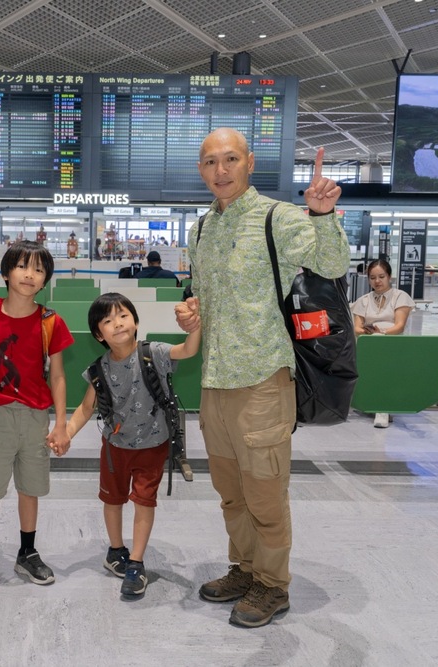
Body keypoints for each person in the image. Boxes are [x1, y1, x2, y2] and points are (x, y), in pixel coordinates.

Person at [176, 128, 348, 628]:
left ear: (249, 163)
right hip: (215, 381)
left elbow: (333, 263)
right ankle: (245, 569)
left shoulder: (279, 217)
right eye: (211, 161)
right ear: (201, 170)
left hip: (263, 379)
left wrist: (322, 215)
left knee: (265, 494)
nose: (221, 170)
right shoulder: (201, 229)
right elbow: (201, 294)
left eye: (231, 159)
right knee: (231, 493)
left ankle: (273, 585)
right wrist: (192, 313)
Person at [65, 293, 200, 597]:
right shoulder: (98, 369)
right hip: (115, 448)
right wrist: (66, 434)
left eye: (123, 315)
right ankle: (116, 551)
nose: (118, 323)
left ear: (136, 322)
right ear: (99, 335)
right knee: (112, 500)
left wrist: (194, 327)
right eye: (108, 320)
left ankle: (136, 562)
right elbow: (85, 408)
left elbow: (188, 350)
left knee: (144, 501)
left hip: (153, 446)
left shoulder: (154, 353)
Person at [0, 240, 73, 596]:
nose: (30, 275)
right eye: (23, 266)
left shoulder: (50, 322)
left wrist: (61, 423)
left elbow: (58, 376)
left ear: (45, 280)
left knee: (31, 487)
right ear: (7, 272)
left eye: (39, 270)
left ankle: (28, 552)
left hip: (35, 416)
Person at [350, 259, 414, 428]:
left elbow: (399, 326)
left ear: (389, 277)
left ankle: (382, 407)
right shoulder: (363, 300)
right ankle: (374, 402)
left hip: (392, 342)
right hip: (369, 341)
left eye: (381, 276)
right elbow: (356, 328)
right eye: (372, 278)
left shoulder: (400, 297)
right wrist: (369, 332)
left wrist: (381, 333)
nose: (377, 281)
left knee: (382, 356)